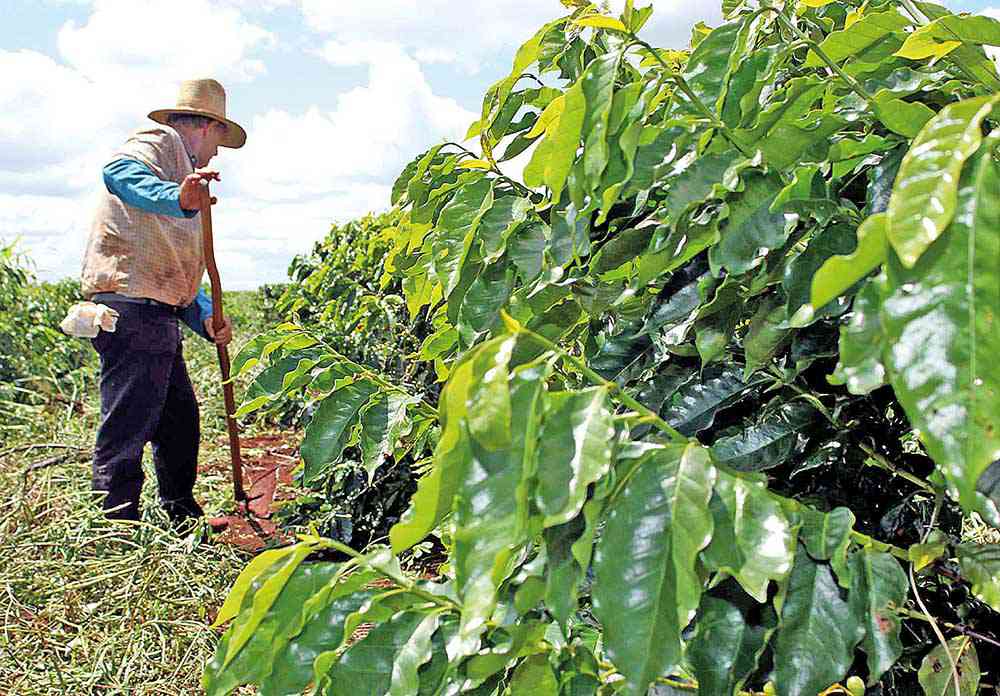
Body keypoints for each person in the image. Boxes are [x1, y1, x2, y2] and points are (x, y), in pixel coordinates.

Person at [79, 78, 247, 524]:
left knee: (179, 420)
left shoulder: (188, 176)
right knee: (130, 422)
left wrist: (208, 317)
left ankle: (180, 511)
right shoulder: (160, 140)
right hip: (132, 309)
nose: (216, 153)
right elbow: (119, 172)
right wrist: (175, 196)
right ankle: (113, 526)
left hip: (157, 314)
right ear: (206, 127)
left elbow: (177, 272)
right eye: (219, 141)